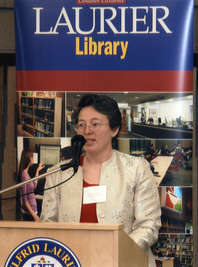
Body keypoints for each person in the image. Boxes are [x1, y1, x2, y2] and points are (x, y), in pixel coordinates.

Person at [41, 94, 161, 267]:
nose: (87, 130)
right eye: (81, 125)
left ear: (114, 129)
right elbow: (48, 225)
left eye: (95, 124)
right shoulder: (59, 173)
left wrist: (112, 256)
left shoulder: (136, 168)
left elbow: (148, 225)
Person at [18, 150, 45, 222]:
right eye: (32, 157)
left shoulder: (26, 174)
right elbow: (25, 200)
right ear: (28, 159)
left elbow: (34, 186)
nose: (33, 159)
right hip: (30, 214)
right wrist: (34, 216)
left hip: (33, 212)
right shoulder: (24, 175)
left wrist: (37, 170)